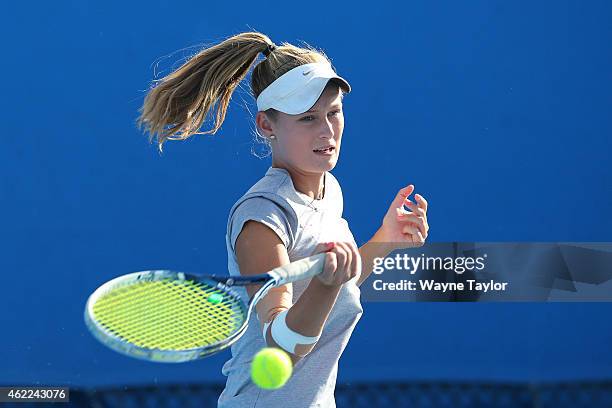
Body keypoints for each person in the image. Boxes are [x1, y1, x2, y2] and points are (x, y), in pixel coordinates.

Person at [136, 31, 430, 408]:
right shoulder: (262, 216)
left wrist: (384, 240)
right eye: (308, 118)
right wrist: (325, 286)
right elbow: (282, 344)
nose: (327, 130)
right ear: (267, 125)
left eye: (334, 112)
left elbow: (334, 281)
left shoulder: (328, 189)